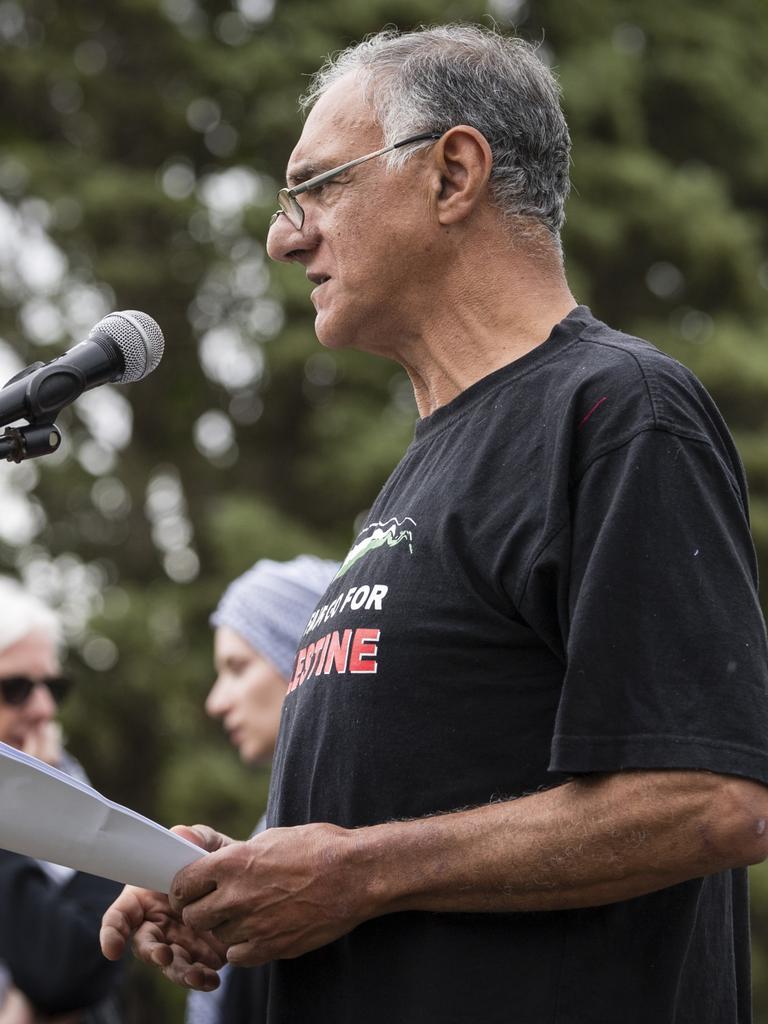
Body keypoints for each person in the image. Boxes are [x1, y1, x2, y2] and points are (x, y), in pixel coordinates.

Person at [101, 24, 768, 1023]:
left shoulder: (620, 410)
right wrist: (235, 877)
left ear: (453, 174)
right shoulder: (419, 471)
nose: (285, 237)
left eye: (320, 185)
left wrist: (357, 871)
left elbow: (713, 797)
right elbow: (410, 805)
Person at [185, 555, 339, 1024]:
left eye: (237, 667)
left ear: (302, 657)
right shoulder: (270, 830)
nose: (215, 701)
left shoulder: (346, 833)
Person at [0, 576, 124, 1022]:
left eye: (52, 688)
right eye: (13, 689)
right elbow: (62, 967)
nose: (43, 710)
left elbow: (88, 959)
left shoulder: (68, 778)